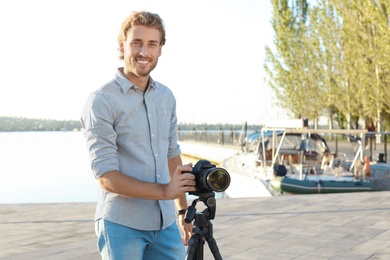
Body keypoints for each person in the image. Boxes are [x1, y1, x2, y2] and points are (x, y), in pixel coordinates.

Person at [80, 11, 196, 259]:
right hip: (122, 224)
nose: (144, 52)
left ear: (160, 49)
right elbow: (106, 176)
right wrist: (166, 190)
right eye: (137, 43)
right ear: (122, 46)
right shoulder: (101, 101)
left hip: (165, 226)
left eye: (152, 44)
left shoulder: (166, 96)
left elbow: (171, 153)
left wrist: (182, 211)